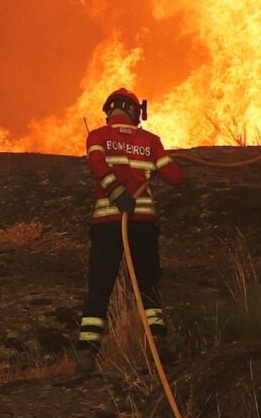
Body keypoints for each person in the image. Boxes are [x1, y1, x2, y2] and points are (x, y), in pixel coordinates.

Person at [75, 87, 182, 373]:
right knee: (147, 283)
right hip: (144, 225)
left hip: (107, 225)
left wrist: (114, 190)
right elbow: (174, 176)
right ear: (135, 111)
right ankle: (158, 342)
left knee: (100, 284)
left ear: (110, 110)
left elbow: (96, 164)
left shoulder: (97, 136)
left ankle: (87, 352)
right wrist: (155, 166)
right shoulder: (151, 141)